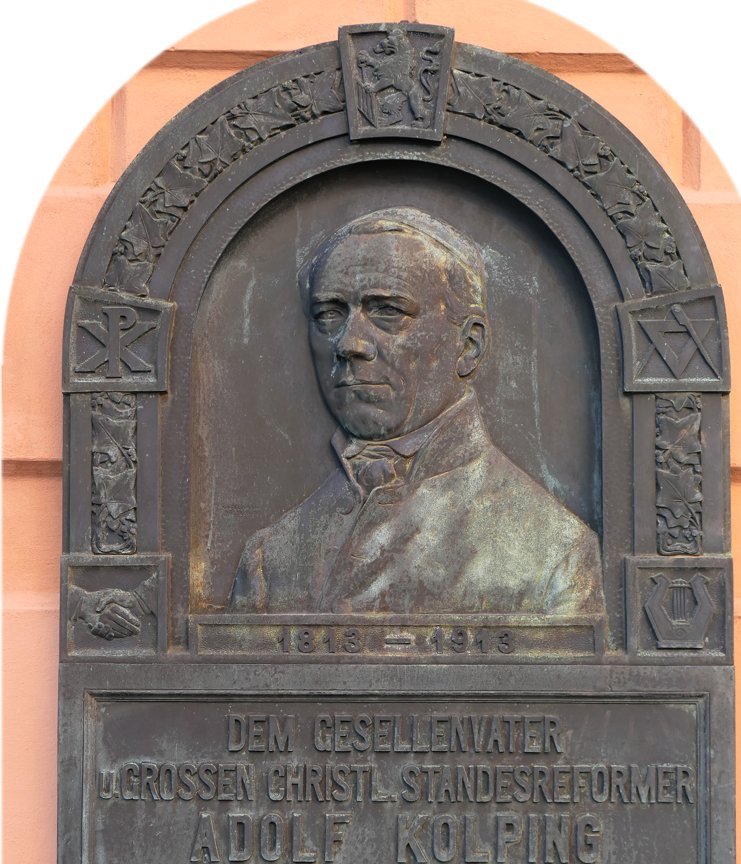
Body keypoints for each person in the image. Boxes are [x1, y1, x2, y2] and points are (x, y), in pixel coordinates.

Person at [229, 207, 605, 616]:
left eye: (388, 310)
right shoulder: (270, 557)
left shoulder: (555, 555)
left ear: (469, 346)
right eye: (329, 314)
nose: (349, 342)